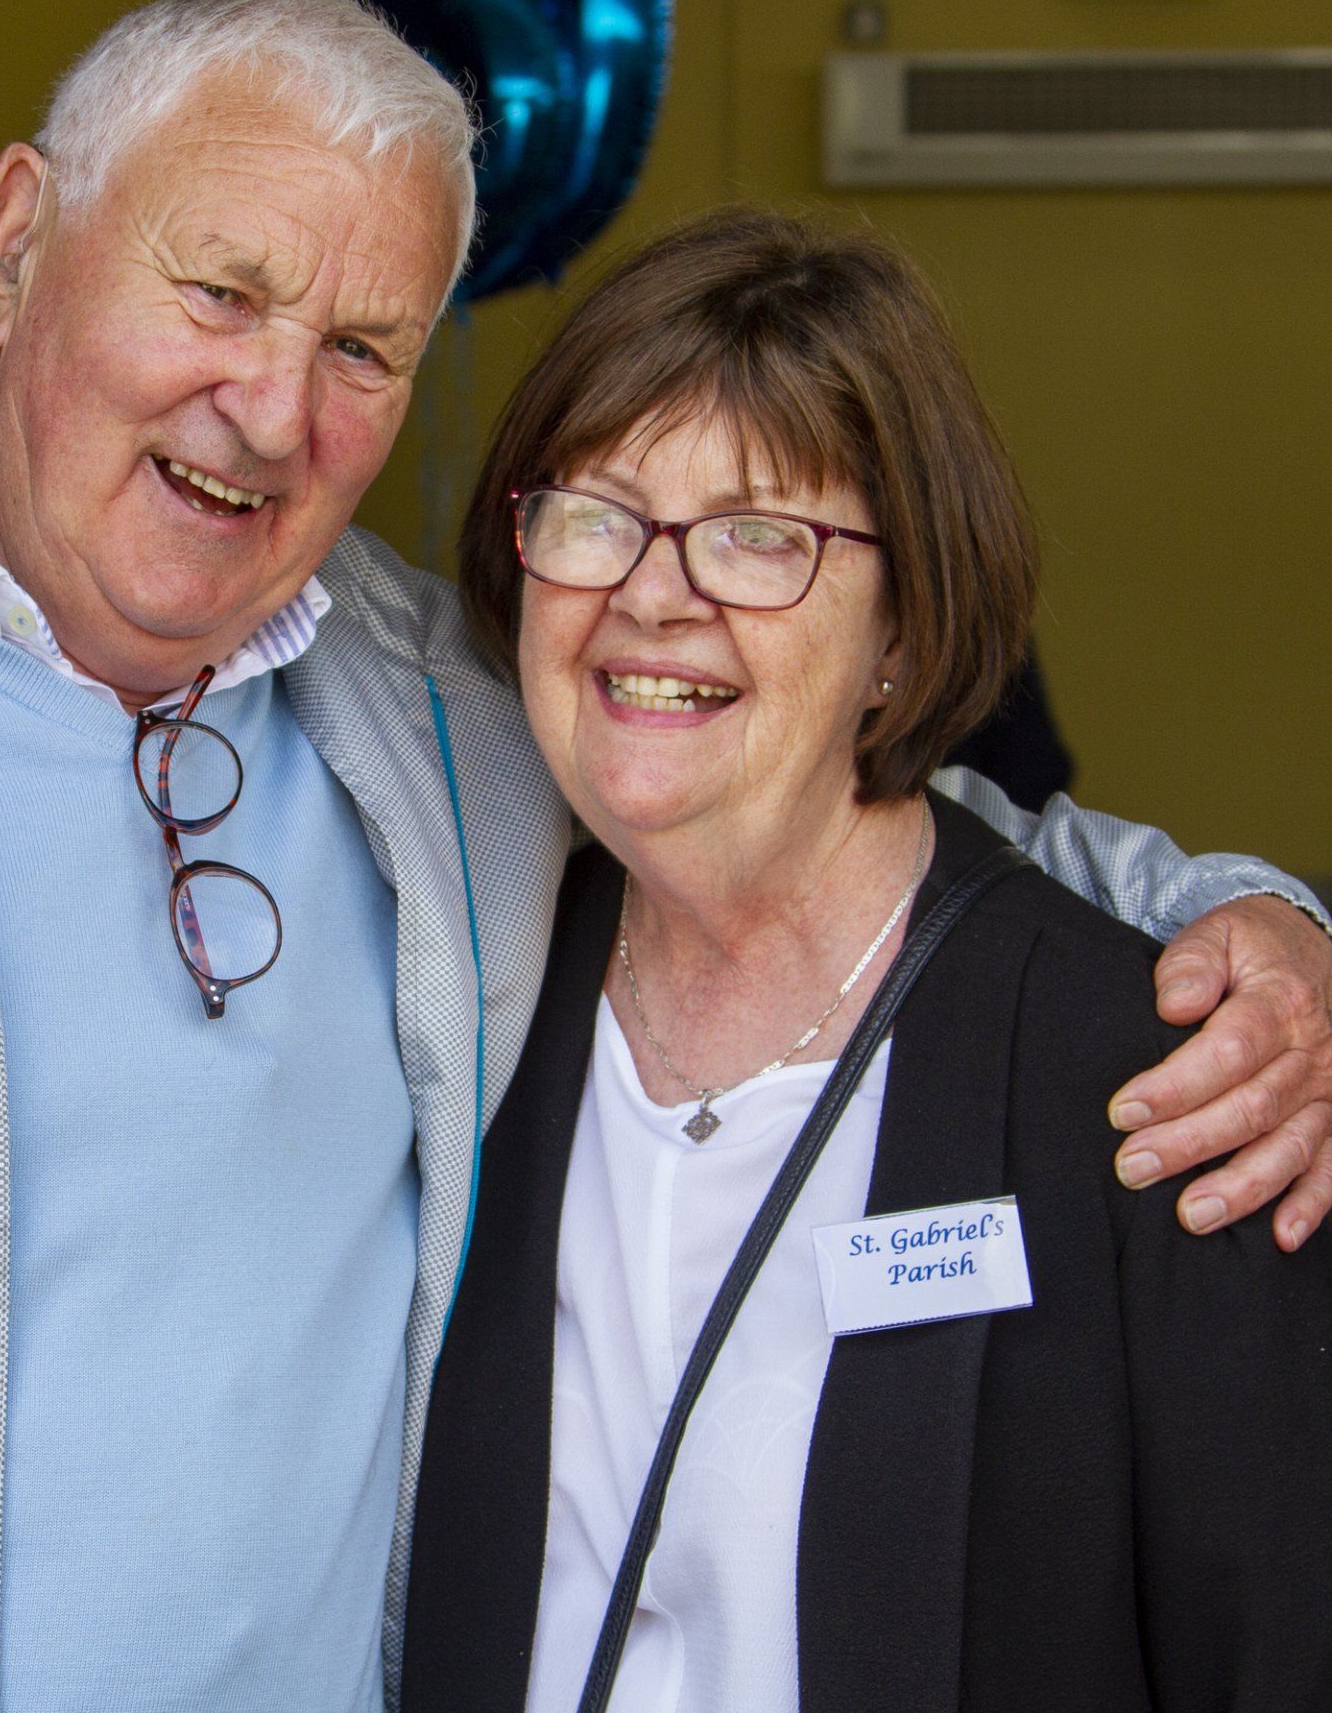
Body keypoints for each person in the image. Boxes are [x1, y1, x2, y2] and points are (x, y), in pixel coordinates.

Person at [0, 0, 1327, 1712]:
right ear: (14, 248)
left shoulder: (433, 718)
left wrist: (1249, 919)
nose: (270, 407)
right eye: (220, 292)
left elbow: (809, 805)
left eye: (362, 345)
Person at [403, 208, 1332, 1711]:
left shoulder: (1162, 1087)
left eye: (759, 536)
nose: (653, 593)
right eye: (594, 513)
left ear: (903, 632)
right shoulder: (461, 995)